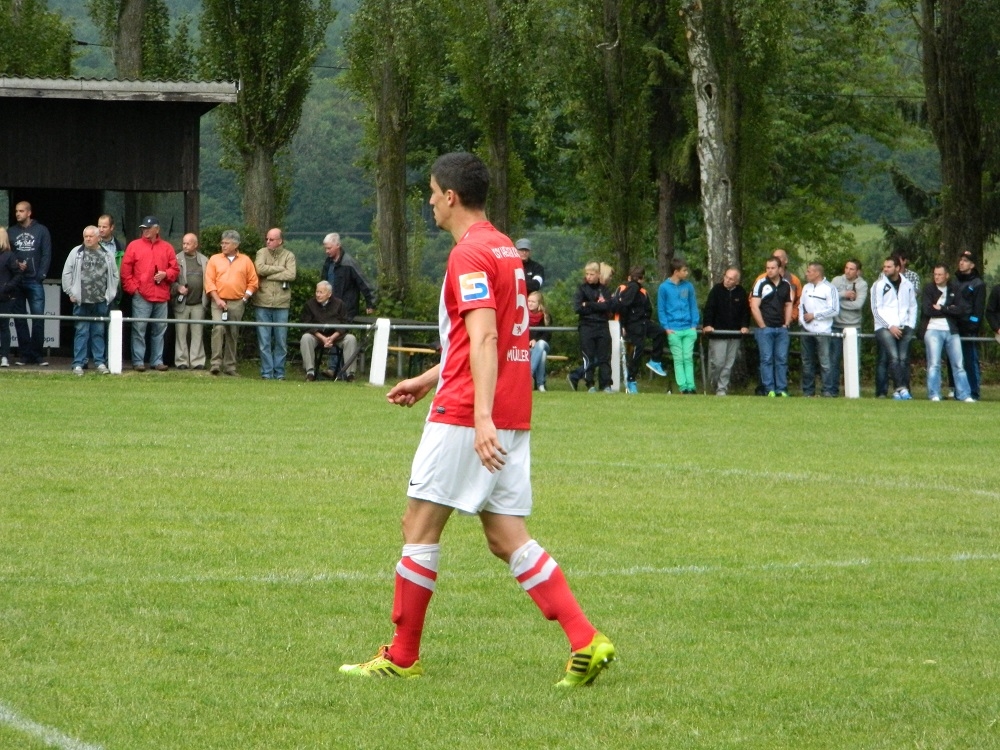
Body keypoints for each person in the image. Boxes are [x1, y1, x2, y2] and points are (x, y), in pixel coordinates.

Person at [340, 152, 615, 686]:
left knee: (418, 525)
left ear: (451, 196)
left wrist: (480, 416)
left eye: (432, 192)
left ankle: (402, 656)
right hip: (509, 408)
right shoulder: (504, 248)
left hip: (470, 412)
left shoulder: (468, 254)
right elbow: (483, 339)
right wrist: (429, 377)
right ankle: (586, 639)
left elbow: (486, 336)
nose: (429, 201)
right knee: (505, 534)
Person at [120, 215, 179, 371]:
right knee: (139, 329)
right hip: (142, 295)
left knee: (159, 330)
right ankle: (138, 361)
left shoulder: (167, 247)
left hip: (161, 295)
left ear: (157, 229)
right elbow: (125, 271)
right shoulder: (134, 246)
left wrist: (166, 274)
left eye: (148, 228)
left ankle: (157, 361)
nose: (145, 231)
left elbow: (175, 269)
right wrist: (134, 289)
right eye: (143, 228)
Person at [61, 226, 119, 376]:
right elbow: (66, 273)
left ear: (98, 238)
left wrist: (110, 295)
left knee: (98, 332)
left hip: (100, 301)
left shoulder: (107, 254)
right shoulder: (76, 252)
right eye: (85, 236)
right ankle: (78, 364)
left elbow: (114, 275)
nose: (87, 239)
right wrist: (70, 292)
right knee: (81, 332)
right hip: (81, 301)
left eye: (91, 236)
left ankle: (100, 362)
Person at [205, 230, 259, 376]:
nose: (223, 245)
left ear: (236, 245)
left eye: (226, 243)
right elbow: (209, 282)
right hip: (218, 301)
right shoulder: (214, 259)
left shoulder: (245, 260)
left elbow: (253, 282)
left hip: (237, 302)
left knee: (233, 333)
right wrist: (217, 299)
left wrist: (244, 299)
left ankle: (230, 366)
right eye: (222, 243)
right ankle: (215, 364)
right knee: (218, 328)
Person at [918, 264, 973, 402]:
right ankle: (934, 394)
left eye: (940, 274)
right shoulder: (929, 289)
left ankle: (964, 394)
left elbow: (961, 310)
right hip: (932, 329)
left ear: (947, 275)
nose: (936, 277)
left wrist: (942, 308)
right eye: (935, 274)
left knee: (958, 364)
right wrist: (950, 309)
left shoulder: (955, 289)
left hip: (951, 330)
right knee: (934, 363)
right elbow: (927, 310)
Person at [9, 201, 52, 366]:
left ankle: (37, 355)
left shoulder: (41, 230)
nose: (18, 214)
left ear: (29, 213)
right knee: (19, 319)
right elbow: (7, 254)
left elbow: (46, 253)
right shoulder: (11, 231)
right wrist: (15, 265)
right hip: (17, 281)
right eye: (16, 211)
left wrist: (41, 275)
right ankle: (24, 355)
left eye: (21, 211)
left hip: (35, 280)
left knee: (38, 318)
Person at [612, 266, 666, 394]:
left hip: (643, 322)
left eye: (640, 279)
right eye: (636, 279)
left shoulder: (643, 292)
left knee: (659, 332)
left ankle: (655, 360)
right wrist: (622, 325)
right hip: (632, 324)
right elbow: (621, 307)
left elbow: (648, 309)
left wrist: (647, 319)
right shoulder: (625, 289)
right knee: (638, 348)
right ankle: (631, 379)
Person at [871, 256, 917, 400]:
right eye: (884, 266)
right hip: (884, 327)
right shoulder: (878, 285)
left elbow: (913, 306)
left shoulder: (908, 285)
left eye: (889, 267)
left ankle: (899, 392)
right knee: (894, 357)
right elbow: (875, 310)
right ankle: (902, 389)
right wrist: (889, 326)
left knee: (903, 359)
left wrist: (910, 325)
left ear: (897, 268)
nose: (885, 269)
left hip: (904, 326)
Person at [254, 227, 297, 380]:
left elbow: (291, 274)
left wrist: (269, 275)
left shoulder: (289, 255)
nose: (268, 242)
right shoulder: (261, 253)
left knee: (281, 341)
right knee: (264, 341)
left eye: (271, 239)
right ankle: (267, 373)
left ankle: (279, 373)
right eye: (267, 239)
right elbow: (259, 269)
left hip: (282, 304)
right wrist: (280, 269)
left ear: (280, 241)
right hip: (262, 302)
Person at [701, 267, 749, 396]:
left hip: (734, 334)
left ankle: (722, 389)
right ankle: (714, 383)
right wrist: (708, 325)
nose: (727, 280)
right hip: (718, 333)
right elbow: (709, 309)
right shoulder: (716, 290)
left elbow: (745, 311)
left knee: (728, 364)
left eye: (731, 279)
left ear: (737, 281)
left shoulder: (741, 292)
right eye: (726, 277)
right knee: (718, 363)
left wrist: (744, 326)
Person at [750, 256, 792, 397]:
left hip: (781, 328)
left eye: (773, 268)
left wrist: (787, 323)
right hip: (765, 328)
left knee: (781, 359)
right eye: (767, 268)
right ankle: (769, 389)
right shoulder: (761, 283)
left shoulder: (786, 285)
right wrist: (762, 325)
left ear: (779, 269)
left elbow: (788, 304)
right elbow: (754, 306)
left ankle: (782, 389)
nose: (769, 270)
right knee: (766, 359)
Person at [299, 280, 357, 381]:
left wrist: (332, 337)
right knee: (305, 338)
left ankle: (350, 374)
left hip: (337, 335)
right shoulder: (309, 304)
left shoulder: (339, 304)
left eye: (321, 292)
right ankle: (310, 372)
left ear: (329, 294)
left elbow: (345, 323)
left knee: (351, 339)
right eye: (317, 292)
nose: (318, 295)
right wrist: (323, 338)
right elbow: (306, 324)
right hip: (317, 335)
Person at [568, 261, 613, 393]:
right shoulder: (581, 289)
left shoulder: (604, 290)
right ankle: (589, 384)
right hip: (586, 326)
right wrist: (597, 306)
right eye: (587, 274)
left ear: (598, 274)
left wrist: (588, 304)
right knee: (589, 356)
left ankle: (606, 384)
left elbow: (608, 306)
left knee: (604, 357)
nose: (589, 277)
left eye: (592, 274)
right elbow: (578, 308)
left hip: (602, 326)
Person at [658, 258, 700, 394]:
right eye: (684, 270)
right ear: (676, 272)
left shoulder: (688, 286)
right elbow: (661, 309)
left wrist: (694, 325)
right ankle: (683, 387)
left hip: (688, 328)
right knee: (679, 359)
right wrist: (667, 328)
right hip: (673, 329)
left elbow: (693, 306)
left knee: (688, 357)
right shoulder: (664, 287)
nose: (686, 273)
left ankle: (691, 387)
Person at [798, 262, 839, 397]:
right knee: (806, 361)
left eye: (809, 271)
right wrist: (802, 321)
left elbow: (834, 310)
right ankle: (808, 391)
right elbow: (801, 306)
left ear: (817, 273)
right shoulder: (806, 287)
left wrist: (815, 315)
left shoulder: (829, 288)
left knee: (825, 362)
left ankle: (827, 390)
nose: (806, 274)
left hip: (823, 330)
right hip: (806, 330)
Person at [171, 233, 209, 370]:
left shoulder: (204, 260)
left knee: (197, 333)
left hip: (199, 303)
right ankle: (181, 361)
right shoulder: (176, 259)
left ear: (195, 245)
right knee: (181, 333)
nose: (185, 246)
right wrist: (178, 288)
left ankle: (197, 361)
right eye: (184, 243)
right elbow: (170, 280)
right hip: (182, 303)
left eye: (188, 243)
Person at [950, 250, 985, 400]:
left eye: (965, 261)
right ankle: (958, 391)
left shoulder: (978, 284)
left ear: (972, 265)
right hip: (954, 326)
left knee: (970, 361)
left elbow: (978, 309)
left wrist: (972, 326)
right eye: (961, 260)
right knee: (956, 361)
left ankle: (973, 391)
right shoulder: (954, 282)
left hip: (968, 329)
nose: (961, 263)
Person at [830, 259, 868, 396]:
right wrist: (843, 295)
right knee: (834, 360)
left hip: (853, 326)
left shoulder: (862, 284)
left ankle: (852, 391)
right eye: (846, 268)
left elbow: (858, 305)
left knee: (853, 361)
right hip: (836, 326)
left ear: (858, 271)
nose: (848, 271)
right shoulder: (836, 280)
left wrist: (837, 304)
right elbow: (829, 298)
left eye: (851, 269)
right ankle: (832, 391)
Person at [321, 232, 377, 320]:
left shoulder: (349, 263)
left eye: (329, 248)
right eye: (325, 248)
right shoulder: (328, 263)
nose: (327, 251)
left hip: (347, 311)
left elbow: (364, 283)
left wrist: (370, 304)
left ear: (338, 245)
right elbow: (323, 284)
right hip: (329, 310)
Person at [0, 227, 25, 368]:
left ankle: (4, 356)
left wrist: (7, 287)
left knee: (4, 326)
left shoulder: (9, 256)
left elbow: (18, 274)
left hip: (4, 296)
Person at [527, 290, 552, 391]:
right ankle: (541, 385)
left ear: (539, 303)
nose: (530, 304)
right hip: (528, 347)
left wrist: (536, 340)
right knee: (542, 355)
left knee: (541, 344)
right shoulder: (523, 315)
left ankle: (529, 373)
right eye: (529, 301)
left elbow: (548, 335)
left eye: (533, 302)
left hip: (543, 344)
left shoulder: (546, 316)